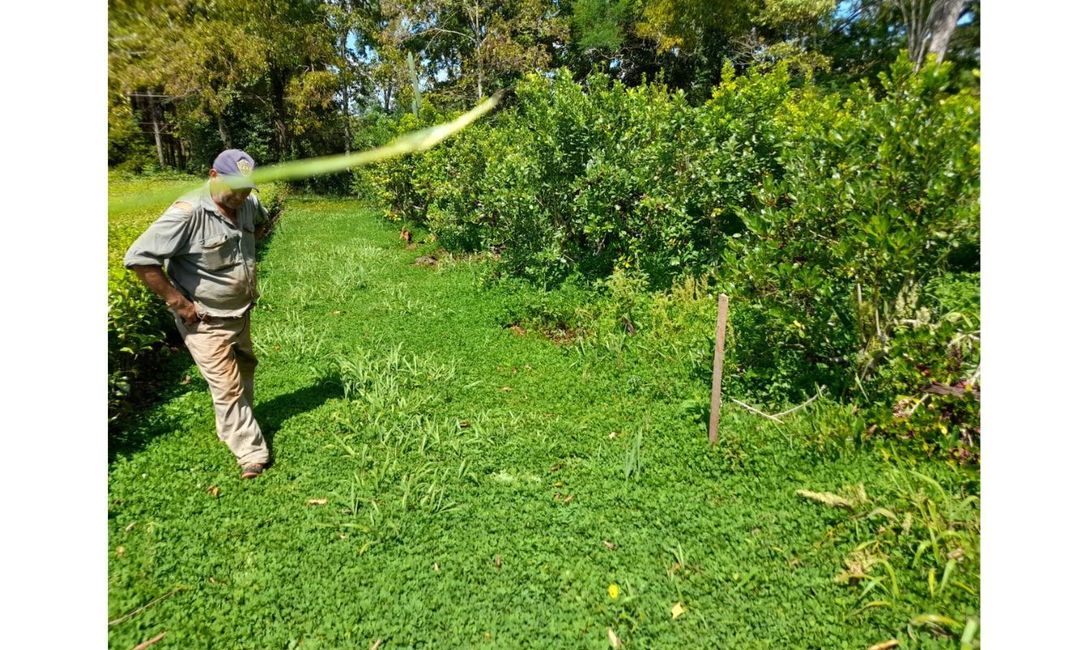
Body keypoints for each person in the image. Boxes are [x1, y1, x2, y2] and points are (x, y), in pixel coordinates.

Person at [124, 149, 272, 479]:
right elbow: (139, 257)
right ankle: (251, 452)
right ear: (213, 175)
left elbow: (260, 223)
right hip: (204, 319)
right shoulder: (187, 213)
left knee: (244, 368)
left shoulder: (248, 203)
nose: (240, 196)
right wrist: (179, 303)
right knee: (227, 387)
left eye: (246, 188)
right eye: (234, 188)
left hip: (240, 312)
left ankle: (234, 424)